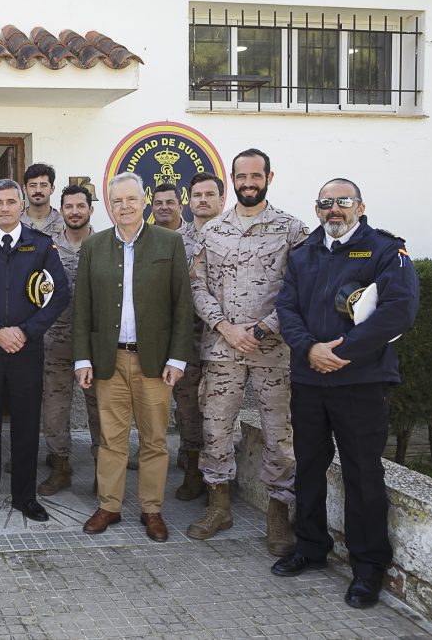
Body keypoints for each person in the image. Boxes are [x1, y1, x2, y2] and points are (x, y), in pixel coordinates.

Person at [273, 178, 418, 609]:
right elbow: (287, 307)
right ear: (316, 209)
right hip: (309, 380)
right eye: (325, 204)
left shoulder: (385, 250)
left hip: (360, 382)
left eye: (342, 202)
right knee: (310, 468)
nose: (333, 210)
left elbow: (399, 309)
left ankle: (369, 567)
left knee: (362, 473)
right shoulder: (304, 253)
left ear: (360, 206)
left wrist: (342, 353)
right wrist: (309, 349)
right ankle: (311, 546)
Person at [187, 149, 308, 557]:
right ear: (233, 179)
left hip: (271, 350)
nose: (248, 182)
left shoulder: (292, 230)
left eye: (256, 175)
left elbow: (300, 290)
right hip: (222, 347)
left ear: (269, 178)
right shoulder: (212, 230)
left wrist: (262, 328)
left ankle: (278, 513)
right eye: (242, 175)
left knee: (280, 434)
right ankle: (218, 505)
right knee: (215, 429)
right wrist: (225, 327)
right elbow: (197, 287)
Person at [73, 172, 193, 542]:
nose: (124, 206)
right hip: (110, 360)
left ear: (144, 201)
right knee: (112, 439)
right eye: (117, 201)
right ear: (109, 206)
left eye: (131, 199)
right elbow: (83, 308)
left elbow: (182, 307)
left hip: (154, 362)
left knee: (155, 440)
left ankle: (151, 510)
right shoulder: (94, 247)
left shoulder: (169, 243)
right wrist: (83, 360)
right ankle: (109, 505)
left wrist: (177, 359)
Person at [0, 178, 68, 523]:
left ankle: (25, 497)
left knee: (25, 426)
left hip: (26, 351)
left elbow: (58, 295)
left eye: (10, 201)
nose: (4, 208)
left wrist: (25, 331)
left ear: (21, 205)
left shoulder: (41, 246)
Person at [166, 173, 226, 500]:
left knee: (218, 411)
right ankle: (192, 468)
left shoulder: (232, 236)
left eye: (209, 194)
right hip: (187, 340)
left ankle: (218, 478)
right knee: (187, 409)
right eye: (197, 195)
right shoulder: (177, 240)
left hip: (223, 341)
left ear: (221, 199)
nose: (202, 200)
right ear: (189, 201)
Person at [39, 184, 100, 496]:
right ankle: (60, 464)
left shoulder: (106, 244)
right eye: (69, 206)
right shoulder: (47, 248)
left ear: (91, 209)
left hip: (97, 344)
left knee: (100, 409)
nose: (74, 211)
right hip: (57, 341)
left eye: (80, 206)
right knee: (55, 409)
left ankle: (104, 468)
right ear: (60, 210)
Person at [151, 182, 203, 500]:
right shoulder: (143, 239)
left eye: (170, 201)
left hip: (190, 335)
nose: (165, 207)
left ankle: (192, 461)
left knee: (188, 405)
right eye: (158, 202)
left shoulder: (195, 238)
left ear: (180, 204)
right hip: (152, 336)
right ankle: (153, 452)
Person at [19, 163, 65, 238]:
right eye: (32, 186)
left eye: (43, 185)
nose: (38, 190)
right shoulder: (16, 222)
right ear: (25, 189)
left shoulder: (63, 221)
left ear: (52, 189)